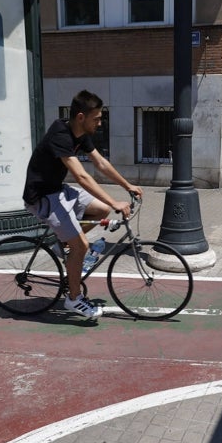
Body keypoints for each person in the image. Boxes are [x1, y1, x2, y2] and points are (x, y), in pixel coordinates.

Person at [22, 90, 143, 319]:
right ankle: (73, 299)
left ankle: (63, 245)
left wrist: (127, 185)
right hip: (42, 198)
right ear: (81, 117)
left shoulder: (81, 134)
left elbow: (101, 163)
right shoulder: (60, 134)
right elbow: (82, 177)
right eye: (96, 118)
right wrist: (115, 201)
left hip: (57, 191)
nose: (100, 121)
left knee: (101, 210)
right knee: (81, 247)